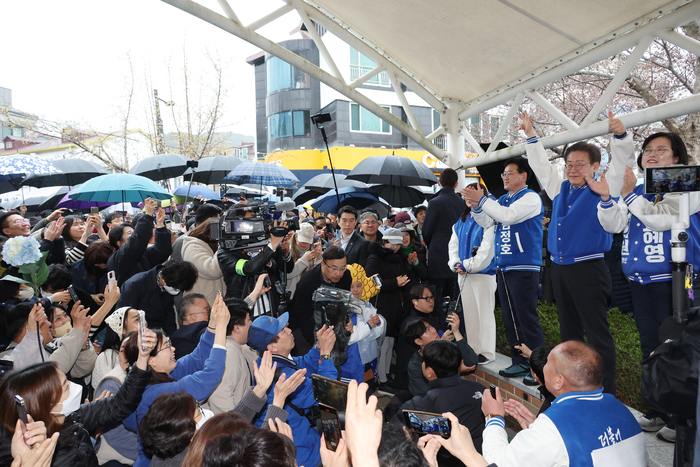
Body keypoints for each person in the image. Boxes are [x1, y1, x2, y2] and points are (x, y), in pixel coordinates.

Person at [520, 111, 616, 394]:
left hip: (588, 269)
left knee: (597, 335)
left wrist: (622, 137)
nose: (573, 169)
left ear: (595, 166)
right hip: (560, 270)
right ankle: (573, 388)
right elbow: (541, 167)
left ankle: (606, 391)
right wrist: (531, 136)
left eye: (580, 164)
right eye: (569, 164)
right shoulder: (560, 188)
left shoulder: (602, 192)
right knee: (569, 333)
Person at [0, 328, 156, 467]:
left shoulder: (69, 416)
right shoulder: (29, 456)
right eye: (66, 386)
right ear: (46, 404)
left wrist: (142, 357)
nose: (75, 387)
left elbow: (121, 404)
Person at [480, 341, 647, 467]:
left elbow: (497, 462)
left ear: (559, 381)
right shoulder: (623, 412)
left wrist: (494, 418)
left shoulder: (552, 429)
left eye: (548, 363)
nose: (543, 366)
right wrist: (536, 430)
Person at [123, 295, 230, 467]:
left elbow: (197, 358)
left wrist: (212, 326)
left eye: (170, 343)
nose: (173, 349)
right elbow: (208, 378)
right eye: (166, 347)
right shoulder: (154, 393)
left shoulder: (162, 374)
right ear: (150, 360)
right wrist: (222, 329)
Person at [463, 157, 545, 380]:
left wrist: (484, 200)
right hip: (505, 267)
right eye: (503, 174)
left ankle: (538, 367)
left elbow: (506, 216)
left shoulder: (530, 198)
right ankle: (519, 361)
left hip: (524, 266)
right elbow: (488, 222)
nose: (505, 177)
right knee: (511, 319)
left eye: (510, 173)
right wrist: (476, 206)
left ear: (523, 176)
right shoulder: (503, 199)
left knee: (526, 318)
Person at [247, 312, 337, 467]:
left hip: (304, 437)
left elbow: (303, 364)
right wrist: (326, 355)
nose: (290, 331)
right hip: (300, 452)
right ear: (272, 346)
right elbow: (328, 394)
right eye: (283, 331)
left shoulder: (268, 363)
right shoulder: (283, 376)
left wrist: (319, 347)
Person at [396, 340, 486, 466]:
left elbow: (392, 436)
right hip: (482, 459)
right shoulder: (480, 389)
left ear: (430, 372)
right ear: (460, 365)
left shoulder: (418, 407)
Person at [448, 183, 497, 364]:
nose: (469, 198)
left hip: (483, 273)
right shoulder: (460, 222)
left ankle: (488, 352)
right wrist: (455, 264)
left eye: (473, 193)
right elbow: (452, 247)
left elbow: (487, 250)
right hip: (464, 274)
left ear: (483, 195)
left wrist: (466, 265)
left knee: (485, 314)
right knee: (469, 315)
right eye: (466, 195)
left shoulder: (490, 218)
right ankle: (473, 350)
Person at [366, 228, 411, 390]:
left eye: (398, 244)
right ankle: (381, 380)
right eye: (393, 243)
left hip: (394, 307)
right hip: (380, 307)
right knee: (382, 346)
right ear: (384, 241)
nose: (396, 247)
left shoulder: (399, 258)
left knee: (389, 344)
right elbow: (371, 282)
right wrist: (394, 282)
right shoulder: (375, 257)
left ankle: (385, 377)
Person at [290, 245, 352, 353]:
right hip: (303, 326)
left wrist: (345, 321)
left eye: (342, 268)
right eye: (334, 268)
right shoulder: (307, 283)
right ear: (323, 264)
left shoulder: (346, 276)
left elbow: (343, 304)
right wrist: (316, 342)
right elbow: (303, 316)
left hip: (329, 322)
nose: (338, 273)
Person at [423, 168, 465, 325]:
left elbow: (426, 231)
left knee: (436, 300)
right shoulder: (462, 203)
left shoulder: (434, 203)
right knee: (457, 300)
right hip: (459, 258)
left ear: (439, 182)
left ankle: (439, 332)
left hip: (438, 258)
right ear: (456, 183)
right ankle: (457, 334)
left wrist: (432, 244)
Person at [117, 259, 198, 335]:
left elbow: (168, 314)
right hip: (135, 332)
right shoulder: (135, 285)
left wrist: (173, 338)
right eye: (176, 288)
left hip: (158, 331)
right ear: (165, 280)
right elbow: (122, 320)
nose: (177, 291)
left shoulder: (172, 282)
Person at [403, 315, 477, 398]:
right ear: (418, 341)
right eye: (427, 330)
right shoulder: (415, 366)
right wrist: (456, 371)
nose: (434, 330)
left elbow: (471, 362)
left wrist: (456, 332)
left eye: (431, 326)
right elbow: (429, 396)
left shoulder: (447, 348)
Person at [106, 199, 172, 284]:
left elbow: (162, 252)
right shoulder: (117, 259)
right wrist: (147, 216)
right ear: (118, 243)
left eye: (134, 232)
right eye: (130, 233)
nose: (134, 234)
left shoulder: (143, 254)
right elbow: (136, 242)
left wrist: (160, 226)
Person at [180, 217, 225, 305]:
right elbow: (213, 271)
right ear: (208, 233)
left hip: (211, 302)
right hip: (201, 306)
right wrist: (222, 245)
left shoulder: (207, 246)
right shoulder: (193, 247)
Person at [285, 222, 321, 298]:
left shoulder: (313, 252)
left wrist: (318, 258)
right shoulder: (287, 251)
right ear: (295, 237)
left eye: (307, 241)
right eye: (302, 240)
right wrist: (304, 260)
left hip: (309, 297)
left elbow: (319, 276)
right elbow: (287, 274)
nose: (304, 243)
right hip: (292, 298)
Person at [170, 293, 211, 360]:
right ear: (191, 318)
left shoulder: (174, 336)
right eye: (207, 311)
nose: (210, 314)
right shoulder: (200, 328)